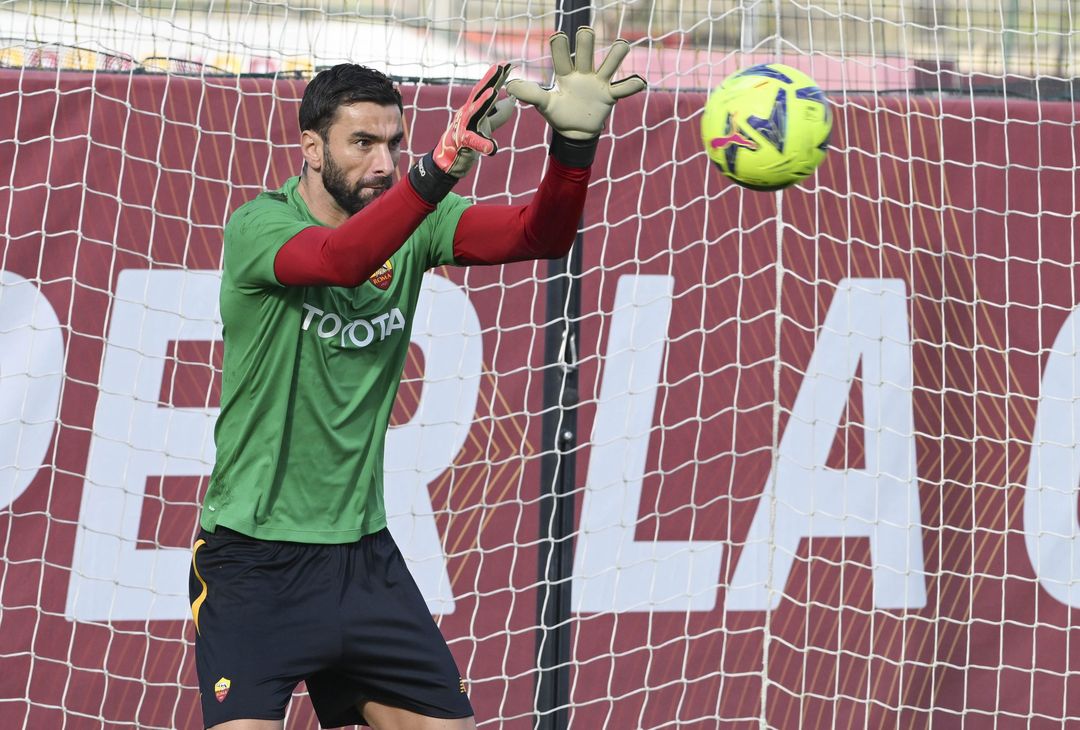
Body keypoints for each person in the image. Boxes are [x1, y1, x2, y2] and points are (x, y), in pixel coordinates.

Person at [188, 26, 645, 730]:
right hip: (255, 563)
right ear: (313, 149)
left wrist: (573, 151)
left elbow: (541, 235)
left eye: (394, 144)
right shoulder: (259, 228)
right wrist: (437, 170)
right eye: (361, 143)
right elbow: (341, 259)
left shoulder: (415, 225)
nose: (383, 162)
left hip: (361, 563)